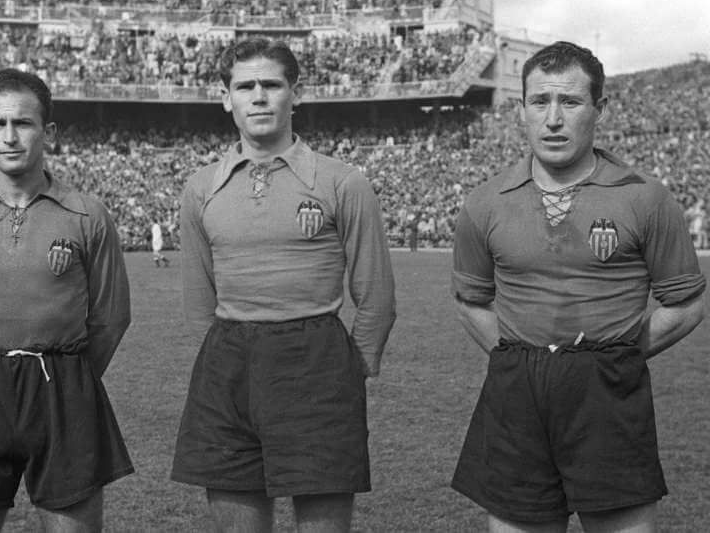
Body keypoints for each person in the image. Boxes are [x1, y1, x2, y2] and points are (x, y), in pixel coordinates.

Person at [450, 41, 706, 532]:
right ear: (521, 109)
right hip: (516, 392)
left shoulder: (646, 198)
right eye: (538, 101)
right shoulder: (483, 203)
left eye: (569, 102)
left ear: (598, 109)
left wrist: (615, 357)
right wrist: (520, 357)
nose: (552, 119)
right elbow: (471, 302)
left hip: (608, 394)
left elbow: (686, 304)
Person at [171, 37, 396, 532]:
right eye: (244, 86)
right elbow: (197, 299)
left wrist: (352, 367)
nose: (258, 96)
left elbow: (375, 293)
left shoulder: (342, 182)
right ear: (225, 98)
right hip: (228, 363)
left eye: (271, 85)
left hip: (317, 359)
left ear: (296, 93)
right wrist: (225, 356)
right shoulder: (200, 187)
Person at [0, 69, 134, 532]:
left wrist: (70, 377)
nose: (10, 136)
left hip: (64, 385)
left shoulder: (87, 214)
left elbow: (111, 316)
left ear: (47, 132)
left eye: (24, 123)